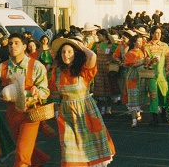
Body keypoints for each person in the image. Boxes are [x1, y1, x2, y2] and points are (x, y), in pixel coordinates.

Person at [0, 33, 50, 167]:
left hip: (31, 114)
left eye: (16, 43)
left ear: (24, 46)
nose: (12, 46)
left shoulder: (37, 66)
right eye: (10, 44)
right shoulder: (2, 68)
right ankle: (38, 163)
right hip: (12, 114)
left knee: (22, 152)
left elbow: (45, 91)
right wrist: (3, 93)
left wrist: (35, 92)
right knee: (24, 147)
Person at [50, 37, 115, 166]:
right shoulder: (57, 72)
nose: (66, 55)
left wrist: (82, 47)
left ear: (76, 53)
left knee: (91, 151)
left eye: (69, 51)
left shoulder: (83, 70)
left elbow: (93, 56)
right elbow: (54, 93)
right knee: (69, 151)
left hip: (86, 113)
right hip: (67, 116)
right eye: (63, 52)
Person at [143, 26, 169, 126]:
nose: (158, 35)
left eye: (160, 33)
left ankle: (163, 114)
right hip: (151, 74)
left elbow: (167, 60)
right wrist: (150, 61)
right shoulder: (146, 46)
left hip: (162, 74)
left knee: (164, 94)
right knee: (153, 95)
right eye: (156, 33)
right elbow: (145, 63)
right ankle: (154, 117)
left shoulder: (165, 46)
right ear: (152, 34)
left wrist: (167, 70)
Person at [124, 34, 150, 127]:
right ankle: (133, 120)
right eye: (138, 41)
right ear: (134, 42)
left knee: (140, 96)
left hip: (141, 77)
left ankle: (138, 114)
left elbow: (146, 63)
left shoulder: (143, 51)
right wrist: (143, 62)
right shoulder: (130, 52)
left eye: (141, 41)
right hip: (133, 77)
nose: (140, 43)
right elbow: (132, 65)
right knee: (133, 98)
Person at [91, 29, 120, 115]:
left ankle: (109, 108)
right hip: (99, 68)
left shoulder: (112, 45)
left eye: (99, 35)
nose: (98, 37)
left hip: (108, 69)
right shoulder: (96, 45)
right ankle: (102, 108)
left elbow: (116, 55)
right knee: (100, 89)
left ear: (104, 36)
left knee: (108, 88)